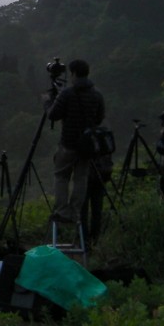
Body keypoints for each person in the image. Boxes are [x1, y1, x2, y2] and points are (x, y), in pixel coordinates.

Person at [46, 59, 106, 226]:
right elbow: (99, 118)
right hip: (86, 146)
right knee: (81, 178)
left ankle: (62, 211)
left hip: (68, 144)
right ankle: (75, 212)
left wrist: (48, 102)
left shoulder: (67, 93)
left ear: (73, 73)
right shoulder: (97, 94)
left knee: (61, 176)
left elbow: (53, 115)